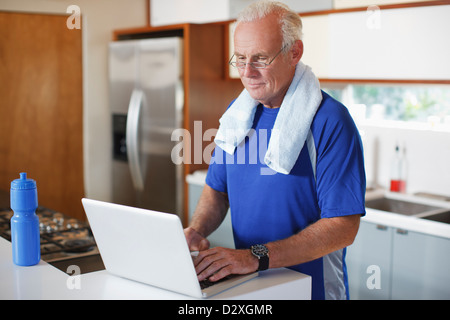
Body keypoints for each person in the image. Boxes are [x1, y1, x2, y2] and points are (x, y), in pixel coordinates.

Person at [184, 0, 366, 300]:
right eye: (240, 58)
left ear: (294, 53)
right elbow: (218, 189)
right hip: (250, 288)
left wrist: (255, 256)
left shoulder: (330, 121)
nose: (247, 72)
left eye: (260, 58)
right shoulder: (237, 114)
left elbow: (343, 227)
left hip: (312, 291)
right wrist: (197, 230)